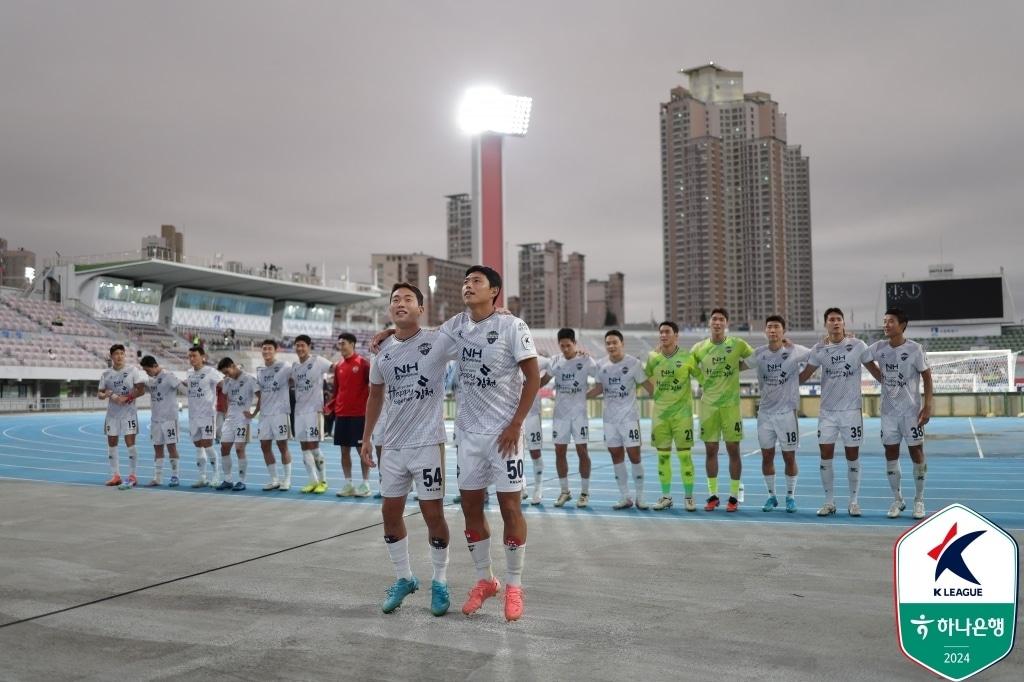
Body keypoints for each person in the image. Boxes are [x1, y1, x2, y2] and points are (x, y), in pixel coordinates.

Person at [437, 266, 539, 621]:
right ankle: (486, 580)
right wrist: (393, 332)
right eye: (466, 282)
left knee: (511, 508)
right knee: (470, 509)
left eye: (476, 281)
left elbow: (533, 377)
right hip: (467, 434)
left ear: (494, 290)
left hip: (504, 436)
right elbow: (425, 339)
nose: (468, 286)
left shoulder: (513, 326)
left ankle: (513, 584)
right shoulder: (456, 325)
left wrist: (515, 424)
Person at [361, 283, 457, 615]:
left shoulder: (437, 341)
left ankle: (440, 581)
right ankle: (405, 578)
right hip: (392, 445)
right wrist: (366, 438)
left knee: (433, 516)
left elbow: (474, 331)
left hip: (428, 442)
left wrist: (498, 314)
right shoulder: (382, 351)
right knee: (389, 514)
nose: (400, 303)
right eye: (395, 300)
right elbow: (375, 396)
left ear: (421, 308)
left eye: (408, 300)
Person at [799, 308, 882, 517]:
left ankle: (853, 501)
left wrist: (893, 386)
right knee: (825, 455)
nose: (835, 323)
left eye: (838, 319)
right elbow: (803, 376)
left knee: (852, 456)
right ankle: (829, 502)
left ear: (844, 323)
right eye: (831, 320)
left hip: (851, 411)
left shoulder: (857, 345)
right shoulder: (819, 349)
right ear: (825, 324)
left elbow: (876, 371)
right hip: (827, 412)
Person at [865, 308, 933, 519]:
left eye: (890, 321)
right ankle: (898, 499)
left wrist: (928, 405)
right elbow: (863, 357)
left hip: (911, 413)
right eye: (884, 321)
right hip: (888, 413)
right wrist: (878, 375)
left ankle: (919, 500)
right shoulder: (879, 347)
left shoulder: (915, 349)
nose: (886, 325)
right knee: (890, 454)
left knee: (917, 453)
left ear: (902, 325)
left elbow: (928, 378)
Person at [746, 316, 810, 513]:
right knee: (767, 456)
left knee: (789, 457)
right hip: (765, 413)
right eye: (769, 327)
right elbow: (737, 366)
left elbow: (819, 355)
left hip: (787, 413)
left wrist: (843, 339)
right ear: (765, 331)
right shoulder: (759, 353)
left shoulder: (794, 350)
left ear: (783, 331)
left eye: (776, 327)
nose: (773, 330)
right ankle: (771, 496)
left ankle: (790, 496)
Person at [691, 309, 754, 512]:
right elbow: (685, 366)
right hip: (708, 407)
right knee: (711, 450)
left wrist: (737, 367)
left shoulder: (737, 345)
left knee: (733, 450)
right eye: (714, 319)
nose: (717, 322)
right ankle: (712, 495)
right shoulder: (699, 348)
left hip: (730, 407)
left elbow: (758, 358)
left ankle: (734, 496)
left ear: (726, 323)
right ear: (709, 323)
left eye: (721, 319)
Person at [589, 330, 653, 509]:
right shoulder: (601, 365)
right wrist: (580, 396)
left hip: (630, 419)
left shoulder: (634, 363)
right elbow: (598, 389)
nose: (611, 346)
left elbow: (650, 388)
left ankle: (641, 496)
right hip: (609, 420)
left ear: (622, 343)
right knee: (616, 456)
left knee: (635, 456)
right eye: (608, 343)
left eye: (614, 342)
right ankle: (625, 496)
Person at [643, 321, 701, 511]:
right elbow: (643, 378)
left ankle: (689, 497)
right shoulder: (653, 357)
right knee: (662, 458)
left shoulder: (687, 357)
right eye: (661, 332)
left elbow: (703, 378)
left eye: (667, 332)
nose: (663, 335)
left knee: (685, 457)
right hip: (660, 417)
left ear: (676, 335)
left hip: (682, 416)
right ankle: (666, 496)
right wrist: (654, 393)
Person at [543, 328, 598, 508]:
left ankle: (585, 492)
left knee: (583, 451)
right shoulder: (555, 362)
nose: (566, 349)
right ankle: (564, 491)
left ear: (575, 344)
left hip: (579, 416)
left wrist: (587, 395)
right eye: (562, 346)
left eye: (568, 345)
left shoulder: (585, 359)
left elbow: (602, 378)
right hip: (560, 416)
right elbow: (542, 380)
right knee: (560, 452)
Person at [97, 344, 147, 489]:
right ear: (111, 356)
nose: (119, 356)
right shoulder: (106, 374)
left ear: (124, 355)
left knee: (130, 444)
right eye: (116, 354)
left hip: (129, 415)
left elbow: (141, 390)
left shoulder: (132, 370)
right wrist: (107, 394)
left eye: (121, 353)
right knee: (112, 444)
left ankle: (132, 475)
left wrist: (128, 397)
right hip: (112, 415)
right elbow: (99, 393)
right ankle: (116, 475)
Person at [292, 334, 335, 494]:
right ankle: (313, 481)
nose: (300, 348)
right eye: (297, 345)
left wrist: (334, 394)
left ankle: (323, 481)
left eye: (302, 345)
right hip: (299, 412)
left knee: (314, 447)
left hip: (314, 410)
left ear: (308, 347)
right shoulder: (295, 366)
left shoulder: (318, 361)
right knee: (304, 447)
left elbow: (337, 369)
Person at [333, 332, 373, 497]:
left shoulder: (363, 363)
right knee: (344, 451)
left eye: (343, 343)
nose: (340, 346)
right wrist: (332, 407)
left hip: (359, 415)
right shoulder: (338, 366)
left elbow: (372, 388)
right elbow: (337, 390)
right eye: (339, 343)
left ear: (352, 344)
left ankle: (365, 484)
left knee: (361, 450)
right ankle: (348, 483)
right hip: (342, 414)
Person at [255, 339, 294, 492]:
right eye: (264, 349)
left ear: (275, 350)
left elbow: (295, 379)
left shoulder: (285, 366)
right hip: (265, 415)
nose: (266, 351)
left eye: (269, 348)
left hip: (280, 413)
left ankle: (287, 479)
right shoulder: (259, 370)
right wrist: (254, 413)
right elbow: (260, 394)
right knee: (264, 446)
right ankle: (274, 479)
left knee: (282, 446)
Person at [216, 357, 260, 491]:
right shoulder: (228, 381)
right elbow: (226, 396)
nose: (226, 375)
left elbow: (261, 396)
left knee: (239, 448)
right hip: (230, 419)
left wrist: (253, 414)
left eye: (227, 372)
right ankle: (228, 479)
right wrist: (227, 412)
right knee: (224, 448)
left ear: (233, 365)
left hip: (242, 420)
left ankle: (242, 481)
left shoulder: (249, 379)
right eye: (224, 373)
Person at [140, 355, 183, 487]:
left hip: (169, 418)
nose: (147, 373)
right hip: (156, 420)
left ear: (154, 366)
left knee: (171, 447)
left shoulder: (168, 376)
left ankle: (175, 476)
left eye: (147, 370)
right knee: (157, 448)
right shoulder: (151, 380)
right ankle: (157, 478)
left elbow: (182, 387)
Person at [185, 345, 223, 488]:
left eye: (194, 356)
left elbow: (223, 385)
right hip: (193, 415)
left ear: (203, 357)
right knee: (198, 445)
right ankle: (202, 477)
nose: (192, 359)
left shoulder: (211, 371)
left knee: (207, 444)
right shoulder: (189, 373)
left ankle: (216, 476)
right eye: (189, 356)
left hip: (207, 415)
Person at [522, 354, 551, 504]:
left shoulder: (538, 359)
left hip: (532, 413)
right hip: (510, 413)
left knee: (535, 452)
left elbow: (553, 366)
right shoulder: (504, 354)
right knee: (513, 451)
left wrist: (538, 383)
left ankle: (538, 488)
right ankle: (521, 486)